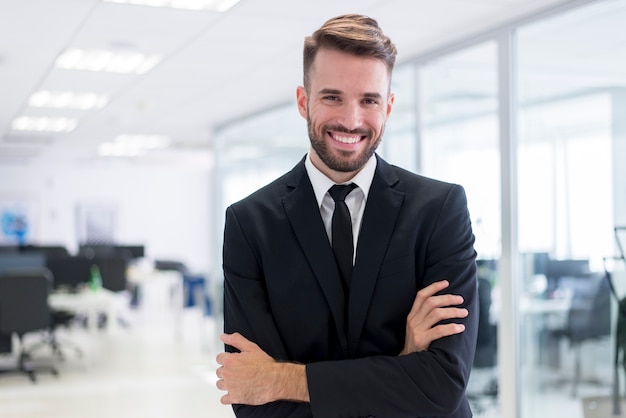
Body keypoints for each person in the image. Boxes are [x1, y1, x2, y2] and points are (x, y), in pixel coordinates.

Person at [216, 14, 478, 418]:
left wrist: (282, 379)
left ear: (388, 107)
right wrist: (403, 362)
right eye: (332, 97)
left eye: (369, 100)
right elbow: (257, 405)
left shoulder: (440, 210)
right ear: (304, 101)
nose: (351, 121)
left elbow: (441, 386)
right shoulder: (250, 225)